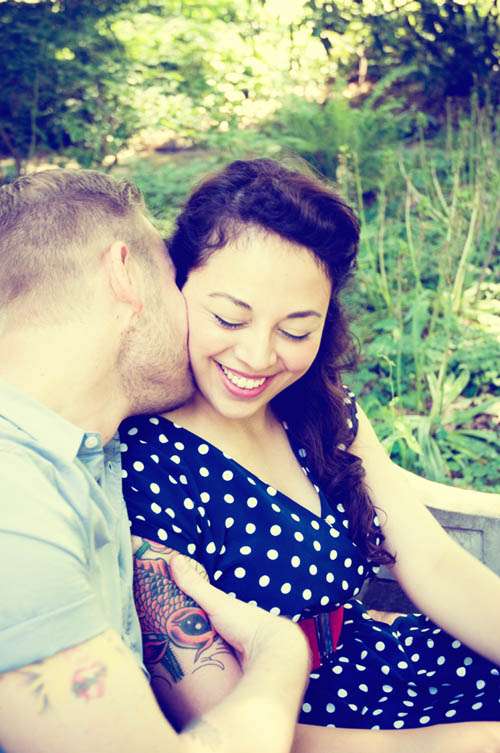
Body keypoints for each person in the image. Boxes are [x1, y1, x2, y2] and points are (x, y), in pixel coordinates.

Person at [121, 158, 500, 753]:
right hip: (316, 728)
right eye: (229, 318)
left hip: (395, 669)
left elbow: (432, 563)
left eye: (296, 330)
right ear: (177, 284)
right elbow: (232, 728)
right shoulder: (148, 461)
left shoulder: (315, 406)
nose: (257, 357)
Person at [0, 169, 311, 753]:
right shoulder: (15, 506)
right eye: (173, 279)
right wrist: (280, 650)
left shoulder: (84, 460)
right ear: (124, 274)